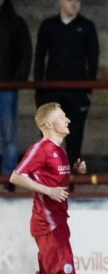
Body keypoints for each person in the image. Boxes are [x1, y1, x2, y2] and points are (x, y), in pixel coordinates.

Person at [0, 102, 87, 274]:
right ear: (48, 124)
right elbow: (17, 176)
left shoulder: (60, 150)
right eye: (63, 116)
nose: (68, 120)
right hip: (47, 223)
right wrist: (48, 190)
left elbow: (54, 178)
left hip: (58, 222)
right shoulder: (41, 148)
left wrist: (75, 171)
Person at [34, 0, 99, 166]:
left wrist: (87, 88)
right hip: (51, 90)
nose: (74, 4)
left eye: (77, 1)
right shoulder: (48, 26)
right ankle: (48, 177)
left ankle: (69, 181)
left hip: (76, 92)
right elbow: (40, 56)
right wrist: (39, 87)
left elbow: (93, 58)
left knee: (74, 136)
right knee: (48, 136)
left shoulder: (86, 26)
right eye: (70, 0)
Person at [0, 0, 32, 184]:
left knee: (9, 135)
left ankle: (7, 178)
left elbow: (25, 52)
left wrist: (16, 80)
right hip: (8, 85)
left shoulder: (15, 22)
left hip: (7, 87)